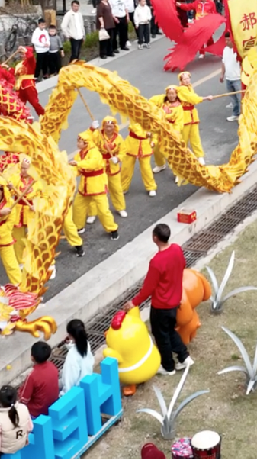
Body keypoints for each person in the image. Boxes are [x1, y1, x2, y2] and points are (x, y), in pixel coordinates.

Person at [130, 223, 192, 375]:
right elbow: (182, 266)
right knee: (170, 330)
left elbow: (148, 288)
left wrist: (134, 302)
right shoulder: (176, 249)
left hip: (161, 306)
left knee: (161, 335)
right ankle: (184, 357)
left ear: (155, 238)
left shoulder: (156, 262)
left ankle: (168, 366)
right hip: (174, 301)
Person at [72, 134, 120, 239]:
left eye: (80, 142)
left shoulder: (95, 153)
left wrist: (78, 164)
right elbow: (77, 170)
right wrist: (68, 173)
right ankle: (78, 226)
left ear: (86, 143)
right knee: (77, 207)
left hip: (97, 186)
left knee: (103, 210)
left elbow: (92, 164)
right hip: (84, 186)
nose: (77, 144)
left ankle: (112, 229)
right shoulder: (79, 155)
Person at [0, 384, 32, 459]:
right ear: (16, 397)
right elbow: (30, 428)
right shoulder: (24, 408)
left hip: (6, 449)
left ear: (0, 402)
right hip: (21, 443)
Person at [17, 341, 59, 418]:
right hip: (53, 406)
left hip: (37, 412)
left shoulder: (32, 376)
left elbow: (23, 399)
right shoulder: (53, 367)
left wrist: (20, 391)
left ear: (32, 358)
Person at [59, 319, 95, 394]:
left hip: (78, 392)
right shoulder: (86, 343)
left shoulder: (71, 356)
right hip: (87, 380)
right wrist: (69, 344)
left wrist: (62, 394)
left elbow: (69, 383)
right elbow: (77, 348)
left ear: (70, 336)